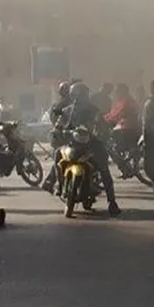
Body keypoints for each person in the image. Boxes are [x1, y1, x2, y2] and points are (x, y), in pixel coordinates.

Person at [51, 82, 122, 216]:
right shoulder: (67, 111)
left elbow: (102, 126)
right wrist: (57, 131)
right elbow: (58, 124)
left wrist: (102, 133)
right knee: (57, 154)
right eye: (75, 95)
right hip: (73, 143)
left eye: (81, 95)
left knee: (104, 167)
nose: (78, 98)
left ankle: (112, 202)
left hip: (91, 143)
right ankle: (59, 185)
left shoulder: (94, 111)